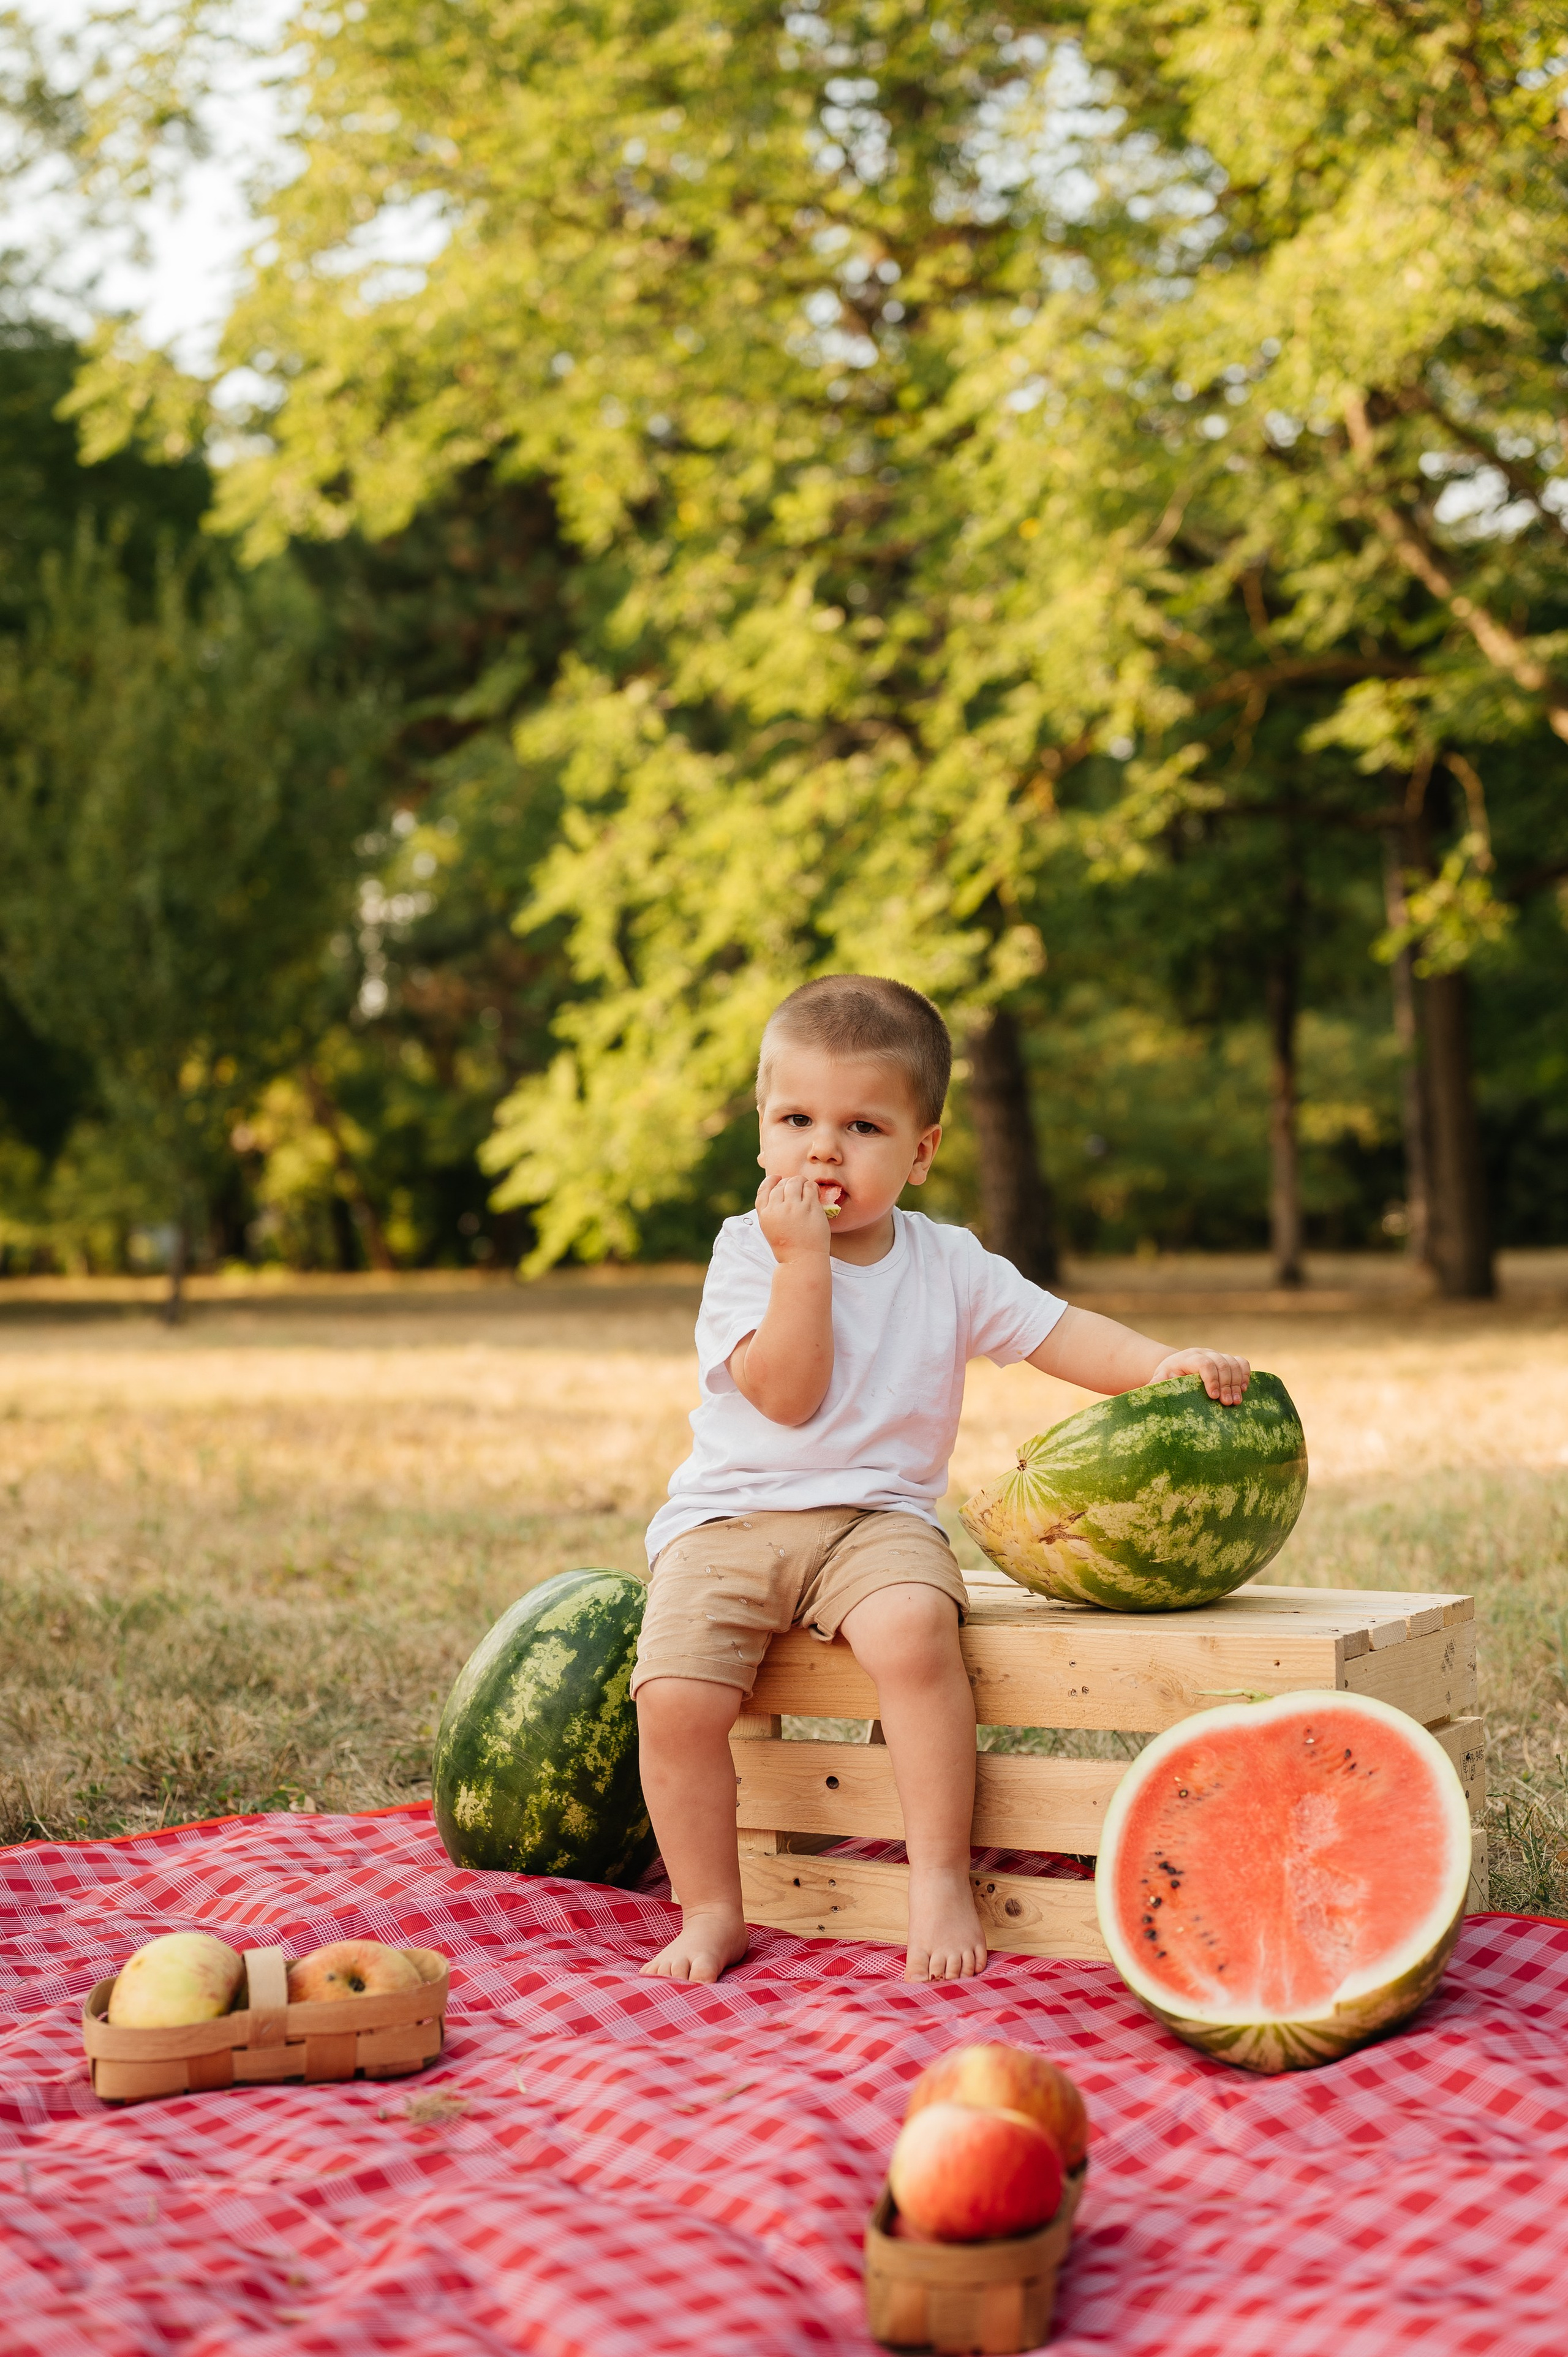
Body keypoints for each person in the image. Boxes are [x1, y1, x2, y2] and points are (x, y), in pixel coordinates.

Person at [633, 975, 1251, 1986]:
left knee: (916, 1630)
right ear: (761, 1131)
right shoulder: (749, 1254)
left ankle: (937, 1877)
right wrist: (802, 1264)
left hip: (874, 1520)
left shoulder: (949, 1263)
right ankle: (710, 1909)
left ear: (920, 1152)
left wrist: (1160, 1364)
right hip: (730, 1517)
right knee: (672, 1698)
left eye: (862, 1127)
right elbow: (785, 1396)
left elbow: (1059, 1332)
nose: (823, 1151)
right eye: (796, 1120)